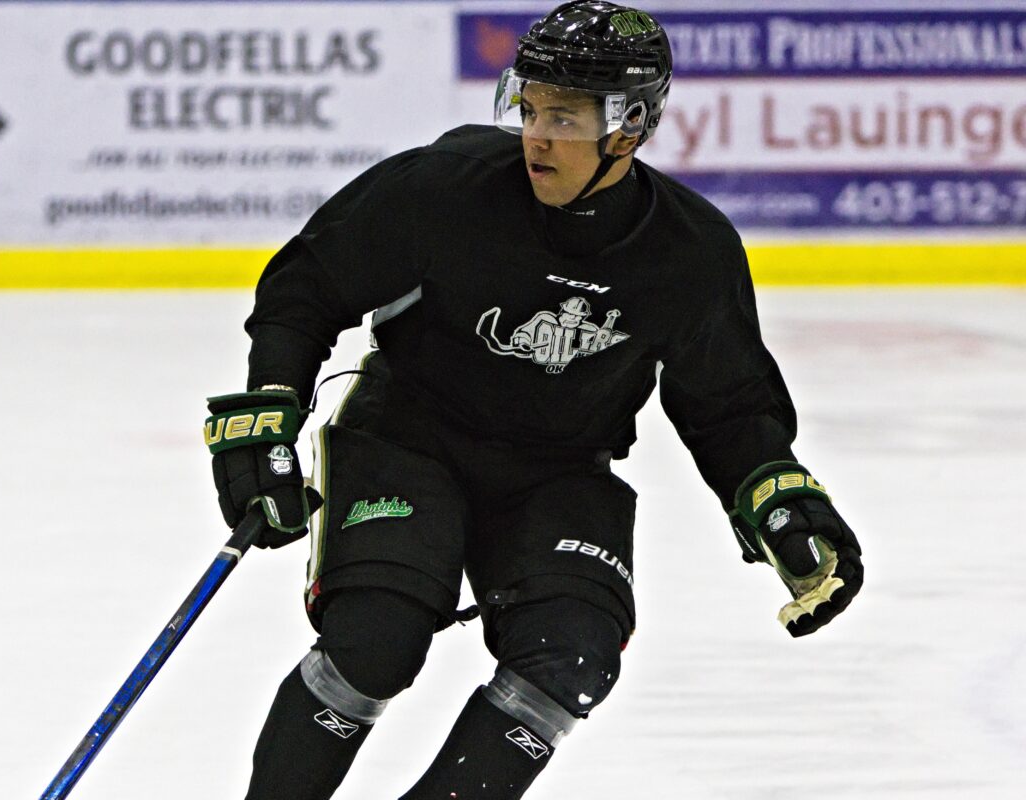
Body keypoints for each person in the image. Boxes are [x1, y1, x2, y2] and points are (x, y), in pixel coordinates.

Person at [204, 3, 864, 798]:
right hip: (408, 440)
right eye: (530, 106)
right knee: (377, 639)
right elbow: (307, 287)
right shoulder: (446, 188)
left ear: (629, 127)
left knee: (572, 657)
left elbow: (728, 406)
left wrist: (778, 497)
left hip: (558, 474)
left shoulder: (689, 253)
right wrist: (272, 403)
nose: (537, 134)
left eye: (564, 115)